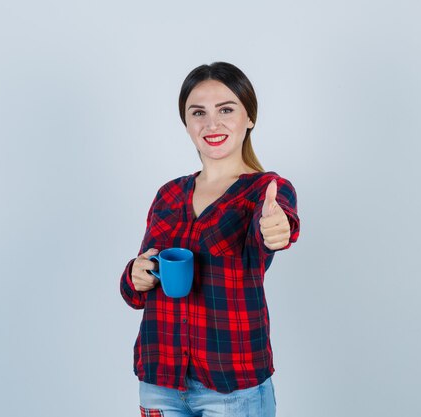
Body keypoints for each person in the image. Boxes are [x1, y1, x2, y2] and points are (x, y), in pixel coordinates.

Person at [120, 62, 300, 417]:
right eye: (198, 112)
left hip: (234, 389)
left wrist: (277, 228)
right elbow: (135, 290)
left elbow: (280, 227)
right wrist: (135, 276)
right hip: (160, 381)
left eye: (226, 110)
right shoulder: (168, 195)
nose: (212, 124)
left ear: (249, 117)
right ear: (186, 123)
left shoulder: (265, 190)